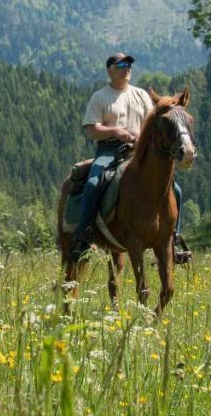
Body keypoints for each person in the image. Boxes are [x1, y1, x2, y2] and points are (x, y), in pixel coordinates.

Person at [68, 53, 190, 263]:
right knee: (93, 182)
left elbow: (154, 124)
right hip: (109, 151)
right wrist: (116, 131)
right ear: (110, 70)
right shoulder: (100, 96)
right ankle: (84, 235)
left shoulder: (141, 95)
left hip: (138, 151)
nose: (127, 68)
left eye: (129, 65)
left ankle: (173, 239)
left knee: (175, 189)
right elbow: (91, 129)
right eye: (122, 64)